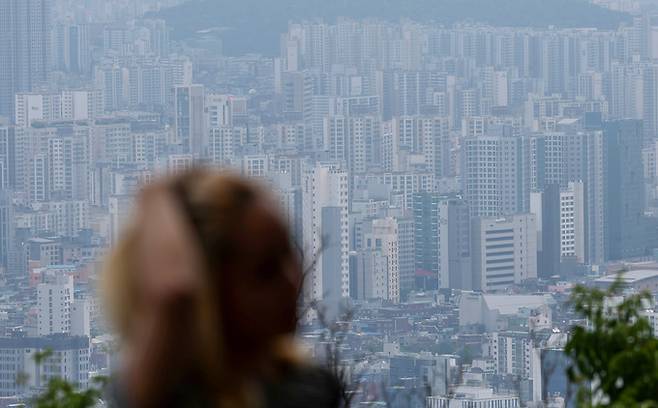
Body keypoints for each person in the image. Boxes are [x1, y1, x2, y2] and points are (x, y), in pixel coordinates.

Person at [103, 169, 341, 408]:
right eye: (265, 272)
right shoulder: (173, 395)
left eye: (289, 254)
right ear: (210, 291)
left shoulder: (305, 386)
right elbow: (174, 293)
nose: (292, 281)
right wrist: (157, 193)